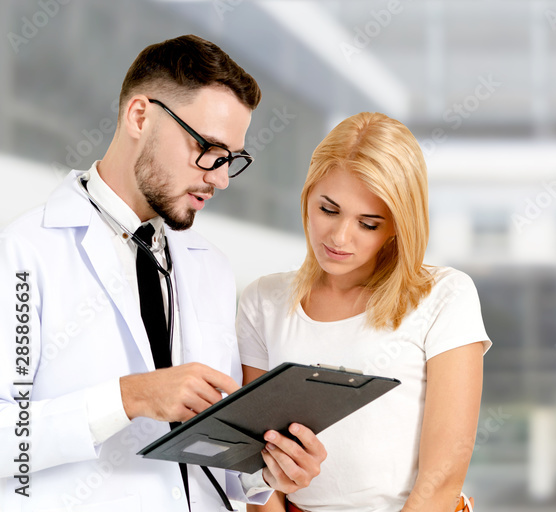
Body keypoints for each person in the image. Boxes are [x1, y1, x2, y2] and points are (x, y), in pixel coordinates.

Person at [0, 35, 325, 511]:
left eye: (230, 158)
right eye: (208, 148)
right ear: (139, 116)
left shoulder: (209, 263)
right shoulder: (24, 253)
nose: (218, 177)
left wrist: (269, 470)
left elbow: (221, 457)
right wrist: (127, 398)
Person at [237, 112, 490, 512]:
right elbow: (256, 472)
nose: (339, 237)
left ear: (396, 226)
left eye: (368, 224)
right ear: (307, 197)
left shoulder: (445, 296)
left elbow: (441, 479)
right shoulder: (262, 301)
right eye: (328, 209)